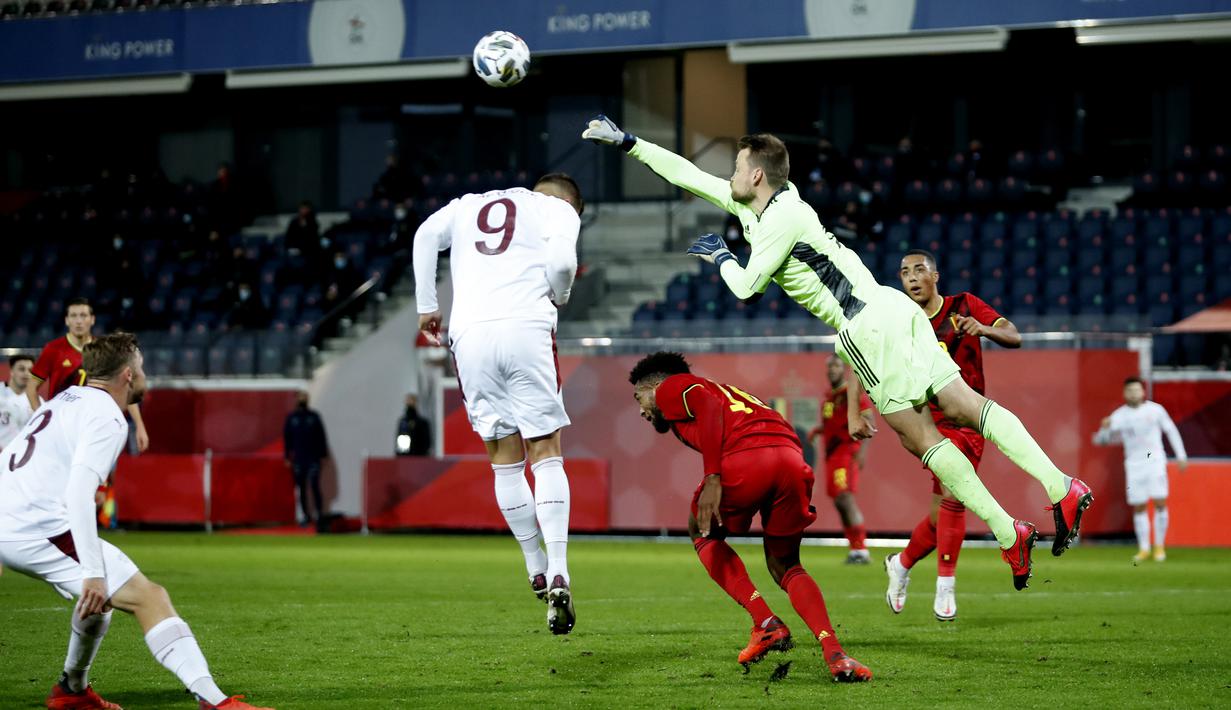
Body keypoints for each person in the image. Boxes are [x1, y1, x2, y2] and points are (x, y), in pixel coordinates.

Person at [584, 117, 1093, 590]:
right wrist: (629, 143)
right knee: (966, 406)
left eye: (737, 167)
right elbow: (690, 176)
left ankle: (1010, 534)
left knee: (922, 439)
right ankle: (1060, 488)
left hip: (863, 325)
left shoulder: (781, 220)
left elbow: (745, 288)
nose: (729, 174)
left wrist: (722, 257)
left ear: (756, 173)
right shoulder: (762, 205)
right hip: (892, 307)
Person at [0, 333, 271, 709]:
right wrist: (93, 570)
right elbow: (79, 492)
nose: (145, 376)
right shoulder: (108, 416)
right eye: (142, 368)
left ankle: (72, 691)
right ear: (128, 375)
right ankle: (215, 700)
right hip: (34, 527)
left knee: (99, 602)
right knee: (150, 597)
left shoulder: (66, 399)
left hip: (14, 518)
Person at [629, 352, 871, 682]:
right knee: (785, 565)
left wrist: (714, 476)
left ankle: (766, 622)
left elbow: (706, 405)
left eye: (639, 397)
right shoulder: (728, 391)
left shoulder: (672, 387)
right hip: (790, 458)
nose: (641, 410)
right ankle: (836, 655)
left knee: (700, 532)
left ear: (654, 385)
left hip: (747, 457)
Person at [414, 172, 582, 634]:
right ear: (571, 203)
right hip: (526, 325)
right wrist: (560, 296)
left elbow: (425, 233)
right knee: (545, 452)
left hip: (470, 335)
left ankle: (535, 566)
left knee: (504, 464)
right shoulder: (557, 209)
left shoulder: (470, 202)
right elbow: (564, 264)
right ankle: (561, 569)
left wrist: (427, 305)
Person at [885, 249, 1022, 621]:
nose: (911, 278)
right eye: (904, 272)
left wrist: (984, 329)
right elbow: (861, 358)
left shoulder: (964, 305)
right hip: (931, 425)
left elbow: (1014, 335)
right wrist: (859, 408)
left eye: (918, 270)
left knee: (938, 516)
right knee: (954, 495)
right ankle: (945, 587)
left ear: (935, 275)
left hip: (970, 420)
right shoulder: (901, 320)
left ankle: (900, 563)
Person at [28, 298, 149, 453]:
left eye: (83, 315)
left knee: (102, 473)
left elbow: (126, 384)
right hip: (64, 428)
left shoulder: (105, 350)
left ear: (92, 320)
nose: (78, 321)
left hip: (96, 424)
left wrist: (139, 425)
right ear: (67, 320)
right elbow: (31, 387)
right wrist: (43, 419)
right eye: (74, 316)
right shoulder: (53, 350)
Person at [1093, 377, 1187, 563]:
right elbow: (1103, 441)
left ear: (1143, 392)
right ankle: (1144, 548)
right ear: (1124, 393)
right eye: (1130, 391)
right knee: (1139, 506)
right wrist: (1104, 429)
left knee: (1160, 501)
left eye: (1137, 390)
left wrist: (1181, 455)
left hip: (1155, 462)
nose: (1134, 393)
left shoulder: (1155, 410)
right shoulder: (1119, 415)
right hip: (1134, 465)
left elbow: (1171, 430)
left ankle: (1159, 547)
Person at [807, 355, 874, 564]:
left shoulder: (849, 393)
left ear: (843, 369)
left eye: (836, 366)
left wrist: (862, 451)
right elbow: (833, 424)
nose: (832, 370)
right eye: (829, 367)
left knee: (845, 498)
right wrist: (819, 430)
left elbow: (869, 419)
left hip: (847, 452)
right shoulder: (829, 396)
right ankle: (855, 549)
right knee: (839, 501)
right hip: (832, 456)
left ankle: (862, 549)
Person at [283, 391, 328, 528]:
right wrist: (287, 457)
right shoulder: (292, 418)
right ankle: (305, 515)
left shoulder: (314, 417)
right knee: (301, 488)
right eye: (300, 397)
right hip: (298, 459)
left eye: (305, 397)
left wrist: (323, 455)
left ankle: (319, 515)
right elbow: (287, 439)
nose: (302, 399)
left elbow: (321, 437)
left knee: (314, 485)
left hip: (313, 458)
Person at [1, 354, 39, 449]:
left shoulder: (36, 401)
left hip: (22, 457)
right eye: (21, 369)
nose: (26, 373)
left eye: (30, 370)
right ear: (11, 371)